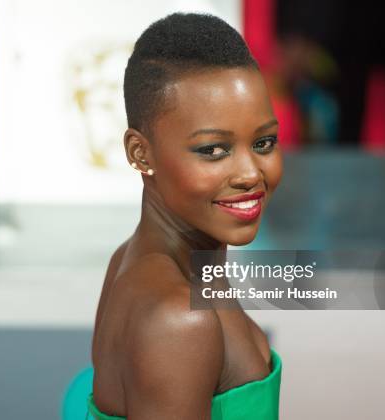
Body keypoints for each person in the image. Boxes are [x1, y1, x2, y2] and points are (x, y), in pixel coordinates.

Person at [88, 13, 283, 419]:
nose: (251, 173)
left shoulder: (152, 260)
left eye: (264, 142)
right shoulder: (178, 319)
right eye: (213, 150)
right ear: (140, 153)